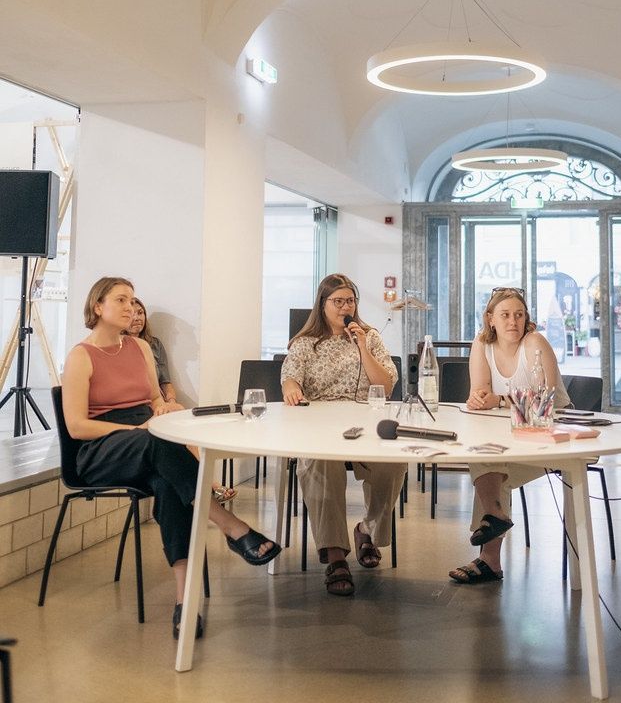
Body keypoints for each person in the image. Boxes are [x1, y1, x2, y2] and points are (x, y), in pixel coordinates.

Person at [62, 277, 280, 639]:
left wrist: (162, 409)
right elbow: (76, 426)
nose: (131, 307)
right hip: (101, 447)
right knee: (157, 441)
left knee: (169, 484)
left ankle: (185, 603)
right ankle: (229, 525)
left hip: (148, 441)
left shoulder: (140, 348)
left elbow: (153, 398)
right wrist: (138, 429)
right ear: (97, 306)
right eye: (121, 300)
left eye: (133, 300)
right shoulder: (81, 356)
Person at [281, 273, 406, 597]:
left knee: (394, 464)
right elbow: (290, 378)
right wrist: (292, 390)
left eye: (350, 301)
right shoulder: (305, 343)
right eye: (338, 301)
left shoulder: (371, 337)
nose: (345, 307)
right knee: (319, 464)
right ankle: (335, 553)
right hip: (321, 426)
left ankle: (367, 530)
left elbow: (386, 386)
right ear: (322, 305)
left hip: (366, 424)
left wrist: (362, 347)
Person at [449, 286, 570, 585]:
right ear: (490, 319)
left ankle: (490, 553)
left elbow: (544, 402)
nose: (513, 321)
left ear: (526, 318)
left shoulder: (534, 342)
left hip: (552, 439)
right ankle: (494, 523)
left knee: (493, 470)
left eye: (519, 315)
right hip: (511, 434)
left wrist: (499, 400)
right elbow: (480, 393)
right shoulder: (482, 344)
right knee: (486, 458)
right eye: (504, 315)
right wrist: (479, 399)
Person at [127, 296, 237, 504]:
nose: (137, 318)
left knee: (185, 424)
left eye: (141, 313)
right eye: (132, 314)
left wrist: (169, 400)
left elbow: (166, 381)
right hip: (141, 407)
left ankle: (205, 485)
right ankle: (209, 485)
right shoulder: (121, 347)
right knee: (179, 434)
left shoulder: (154, 344)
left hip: (159, 403)